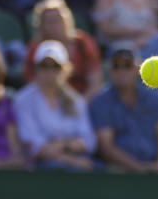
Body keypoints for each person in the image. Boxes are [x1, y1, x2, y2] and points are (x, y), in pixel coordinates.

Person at [88, 43, 158, 173]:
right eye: (116, 66)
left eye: (127, 66)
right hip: (118, 170)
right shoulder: (100, 102)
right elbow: (106, 147)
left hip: (155, 167)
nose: (121, 71)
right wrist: (138, 168)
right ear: (109, 70)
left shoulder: (153, 98)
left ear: (136, 69)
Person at [13, 39, 96, 170]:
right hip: (41, 167)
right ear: (36, 69)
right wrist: (69, 159)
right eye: (44, 66)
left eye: (55, 66)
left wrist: (63, 145)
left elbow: (89, 141)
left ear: (65, 69)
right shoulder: (23, 100)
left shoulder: (76, 100)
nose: (50, 72)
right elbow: (34, 147)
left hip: (76, 160)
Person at [24, 0, 102, 99]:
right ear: (41, 25)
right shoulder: (35, 48)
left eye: (58, 20)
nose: (55, 25)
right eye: (49, 21)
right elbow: (32, 83)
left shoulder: (83, 43)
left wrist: (79, 107)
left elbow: (95, 83)